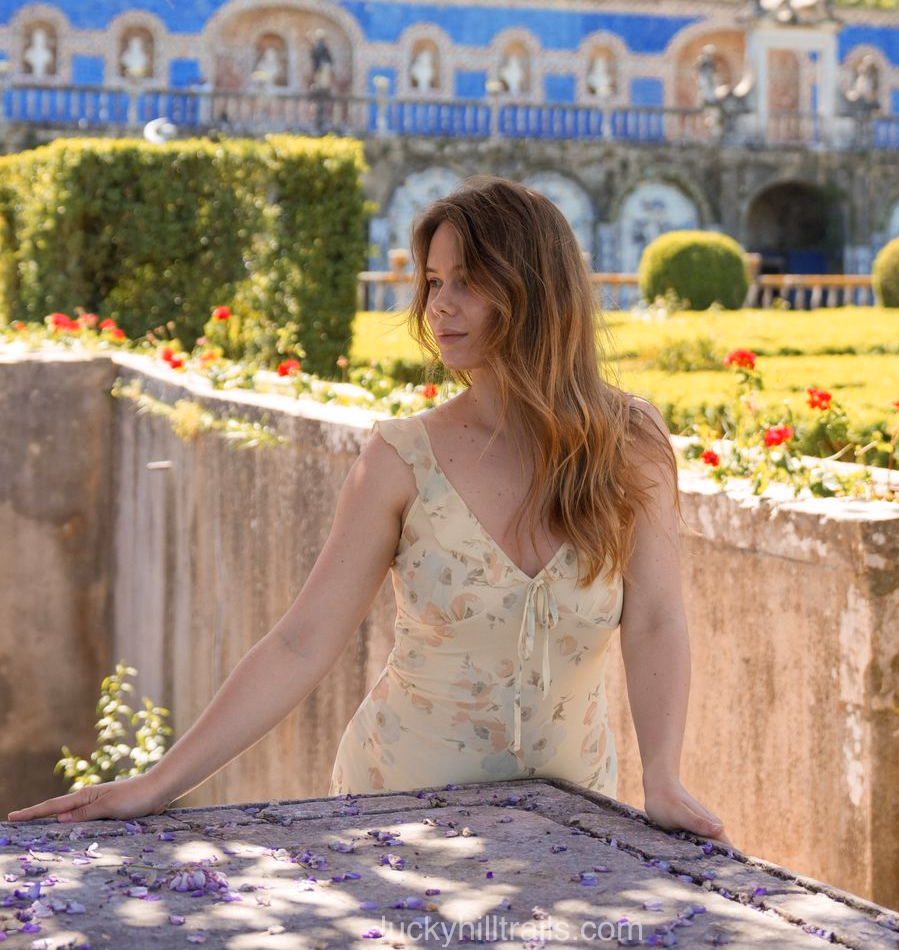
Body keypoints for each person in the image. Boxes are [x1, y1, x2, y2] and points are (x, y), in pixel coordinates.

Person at [8, 176, 729, 845]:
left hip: (572, 822)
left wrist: (661, 777)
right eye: (433, 281)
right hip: (396, 814)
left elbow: (658, 618)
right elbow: (301, 643)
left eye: (467, 282)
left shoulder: (630, 441)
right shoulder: (401, 457)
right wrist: (158, 785)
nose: (438, 305)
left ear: (535, 290)